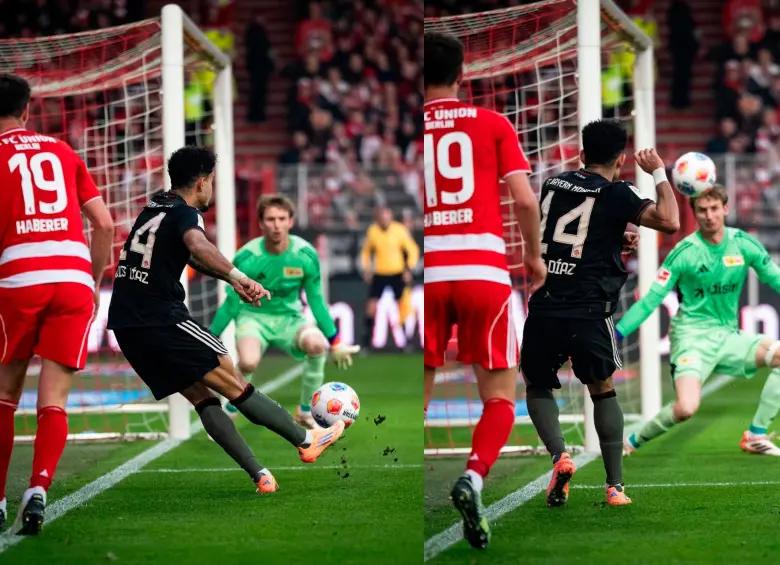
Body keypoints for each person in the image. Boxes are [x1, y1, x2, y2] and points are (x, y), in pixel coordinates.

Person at [108, 147, 345, 500]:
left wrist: (229, 280)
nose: (211, 189)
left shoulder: (155, 206)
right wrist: (238, 276)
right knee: (232, 378)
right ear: (202, 182)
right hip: (159, 317)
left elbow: (186, 253)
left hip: (126, 323)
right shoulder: (188, 214)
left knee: (201, 397)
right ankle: (308, 439)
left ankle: (260, 474)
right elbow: (196, 244)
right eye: (212, 182)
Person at [423, 32, 546, 550]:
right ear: (462, 72)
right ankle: (473, 478)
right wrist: (534, 256)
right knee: (498, 395)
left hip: (427, 269)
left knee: (419, 396)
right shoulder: (493, 123)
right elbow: (523, 198)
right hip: (483, 271)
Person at [521, 120, 680, 509]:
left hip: (544, 305)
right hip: (589, 311)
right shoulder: (618, 191)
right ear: (622, 159)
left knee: (538, 386)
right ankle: (615, 488)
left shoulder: (553, 184)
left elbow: (569, 231)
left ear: (581, 154)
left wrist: (613, 236)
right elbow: (671, 220)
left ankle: (560, 456)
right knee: (602, 389)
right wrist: (657, 170)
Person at [0, 73, 114, 535]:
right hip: (71, 276)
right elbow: (104, 225)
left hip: (19, 276)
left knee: (5, 394)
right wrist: (93, 278)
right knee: (55, 400)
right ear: (28, 110)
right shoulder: (64, 151)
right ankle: (39, 489)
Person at [618, 184, 780, 456]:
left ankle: (756, 434)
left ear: (725, 209)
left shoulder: (743, 244)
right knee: (686, 408)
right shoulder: (685, 252)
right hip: (691, 339)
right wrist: (617, 333)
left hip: (729, 336)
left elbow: (774, 277)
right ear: (694, 214)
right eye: (702, 210)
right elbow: (650, 300)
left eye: (714, 208)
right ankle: (630, 442)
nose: (709, 215)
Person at [210, 194, 359, 428]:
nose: (276, 225)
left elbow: (317, 301)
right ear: (261, 223)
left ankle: (306, 410)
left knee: (317, 344)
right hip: (253, 317)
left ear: (291, 221)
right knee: (248, 362)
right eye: (270, 219)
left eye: (281, 218)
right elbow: (231, 303)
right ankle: (230, 407)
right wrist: (209, 338)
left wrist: (336, 342)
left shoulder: (305, 255)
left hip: (291, 319)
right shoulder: (247, 257)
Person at [360, 207, 419, 351]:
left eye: (387, 217)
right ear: (378, 219)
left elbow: (413, 250)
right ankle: (366, 343)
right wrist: (366, 269)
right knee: (371, 307)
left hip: (397, 273)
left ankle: (407, 342)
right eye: (382, 218)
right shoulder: (373, 231)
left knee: (403, 307)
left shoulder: (399, 230)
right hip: (379, 273)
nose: (385, 220)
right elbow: (366, 252)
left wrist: (408, 268)